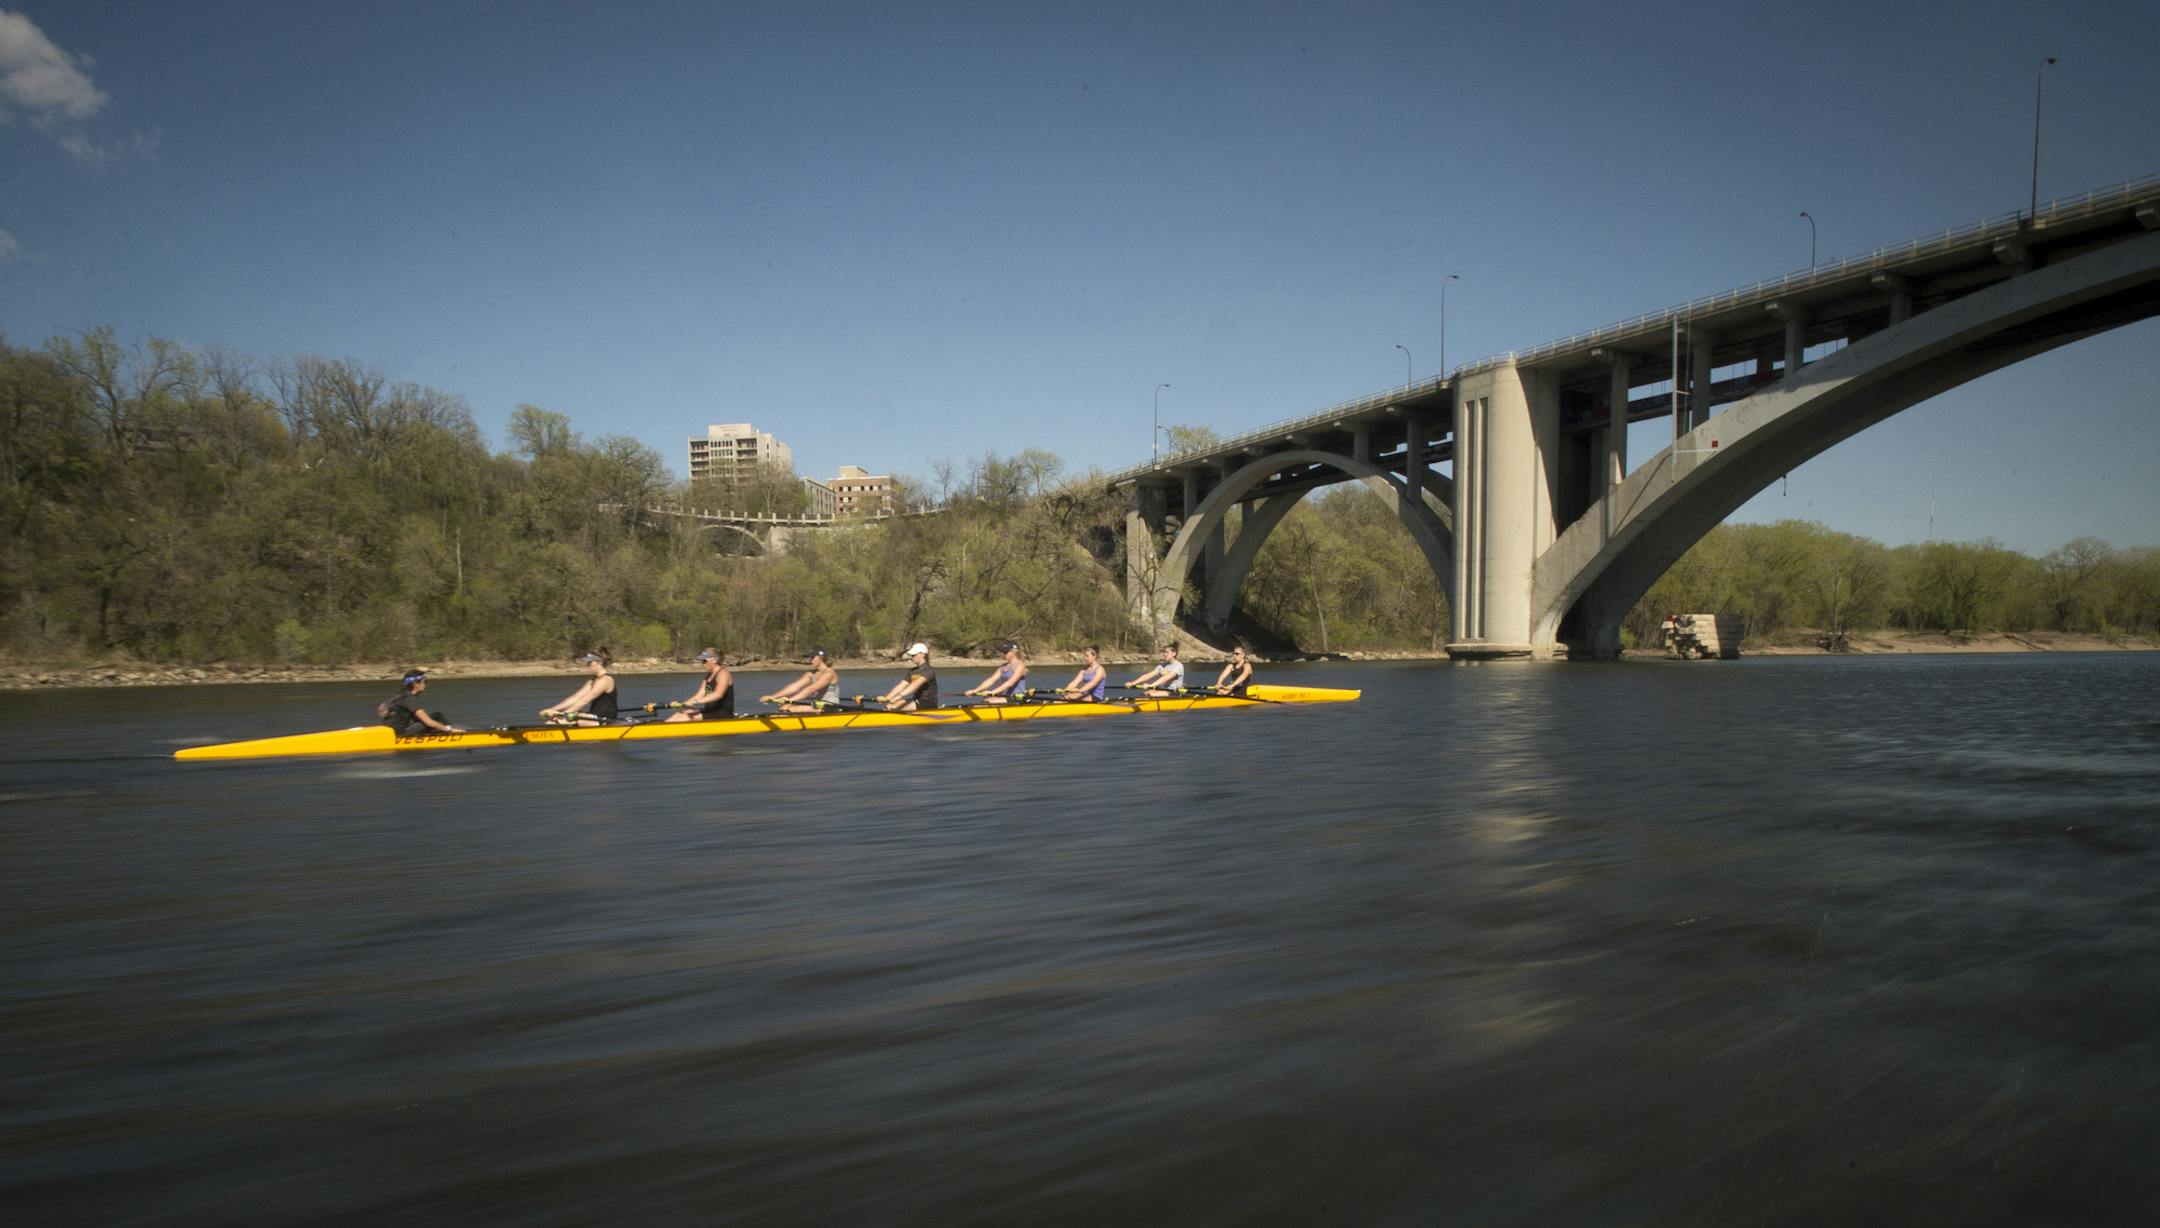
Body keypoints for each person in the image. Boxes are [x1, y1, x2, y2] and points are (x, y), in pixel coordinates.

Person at [542, 648, 620, 724]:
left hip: (606, 719)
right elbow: (575, 698)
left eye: (590, 662)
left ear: (600, 662)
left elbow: (584, 701)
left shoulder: (605, 680)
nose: (587, 664)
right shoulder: (592, 681)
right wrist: (552, 709)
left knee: (559, 722)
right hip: (594, 716)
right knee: (551, 722)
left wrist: (563, 715)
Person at [379, 668, 460, 735]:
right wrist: (448, 729)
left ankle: (440, 730)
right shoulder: (410, 699)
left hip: (389, 732)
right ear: (415, 684)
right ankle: (450, 733)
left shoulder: (399, 695)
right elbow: (428, 722)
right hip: (401, 734)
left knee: (429, 717)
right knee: (437, 716)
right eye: (424, 682)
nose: (425, 684)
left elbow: (381, 709)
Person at [661, 647, 733, 722]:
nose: (703, 663)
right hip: (710, 711)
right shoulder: (707, 677)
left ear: (714, 660)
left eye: (705, 660)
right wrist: (682, 705)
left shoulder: (723, 674)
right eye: (702, 661)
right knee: (679, 714)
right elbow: (698, 695)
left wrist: (695, 702)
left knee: (685, 717)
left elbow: (717, 695)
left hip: (723, 714)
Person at [761, 648, 840, 713]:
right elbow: (794, 687)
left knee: (789, 709)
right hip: (817, 705)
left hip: (830, 706)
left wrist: (790, 700)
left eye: (812, 658)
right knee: (784, 706)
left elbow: (811, 689)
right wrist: (773, 697)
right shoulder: (811, 674)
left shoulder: (829, 673)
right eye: (809, 658)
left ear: (821, 658)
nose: (810, 660)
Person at [877, 642, 940, 711]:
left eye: (914, 655)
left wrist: (896, 698)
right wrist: (887, 698)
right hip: (916, 700)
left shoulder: (928, 670)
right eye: (911, 655)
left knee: (898, 709)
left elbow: (914, 686)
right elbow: (901, 686)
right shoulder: (912, 671)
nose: (912, 657)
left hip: (928, 703)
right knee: (889, 706)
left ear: (922, 655)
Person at [964, 641, 1028, 703]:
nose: (1002, 654)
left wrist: (993, 692)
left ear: (1013, 652)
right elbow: (991, 680)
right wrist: (975, 690)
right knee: (985, 700)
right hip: (1005, 696)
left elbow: (1010, 683)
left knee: (989, 702)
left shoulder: (1020, 665)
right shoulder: (1003, 666)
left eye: (1005, 652)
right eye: (1002, 652)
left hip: (1017, 697)